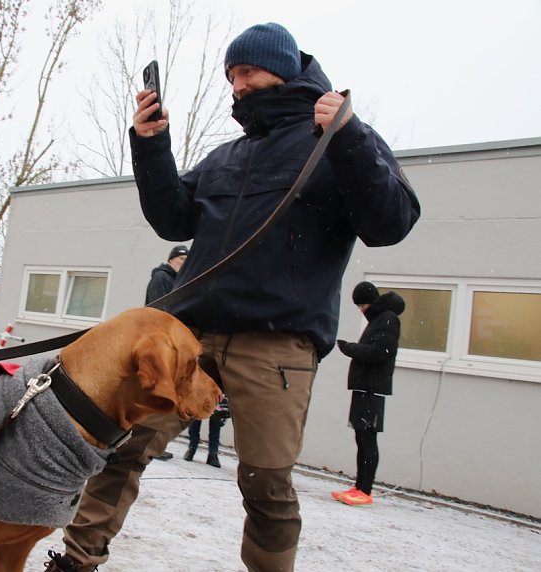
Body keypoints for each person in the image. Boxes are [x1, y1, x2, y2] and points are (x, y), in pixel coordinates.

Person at [44, 22, 420, 572]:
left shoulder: (337, 138)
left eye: (247, 71)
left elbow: (391, 221)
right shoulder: (227, 156)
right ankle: (76, 562)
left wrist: (350, 135)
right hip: (190, 337)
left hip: (278, 341)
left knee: (265, 482)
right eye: (231, 75)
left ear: (285, 68)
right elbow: (172, 215)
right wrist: (152, 147)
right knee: (123, 449)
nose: (238, 85)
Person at [332, 281, 404, 507]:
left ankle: (365, 489)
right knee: (361, 437)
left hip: (372, 388)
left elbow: (380, 352)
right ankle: (359, 486)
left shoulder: (388, 318)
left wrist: (349, 348)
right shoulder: (380, 319)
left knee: (368, 438)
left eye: (361, 304)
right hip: (365, 387)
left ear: (368, 301)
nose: (361, 310)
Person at [145, 244, 189, 461]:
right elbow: (158, 311)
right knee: (155, 394)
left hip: (170, 344)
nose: (184, 265)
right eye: (181, 260)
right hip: (160, 343)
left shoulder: (178, 280)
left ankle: (154, 444)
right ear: (172, 260)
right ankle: (144, 444)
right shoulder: (162, 278)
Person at [184, 394, 229, 468]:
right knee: (195, 416)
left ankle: (213, 453)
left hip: (218, 391)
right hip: (201, 389)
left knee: (216, 420)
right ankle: (192, 448)